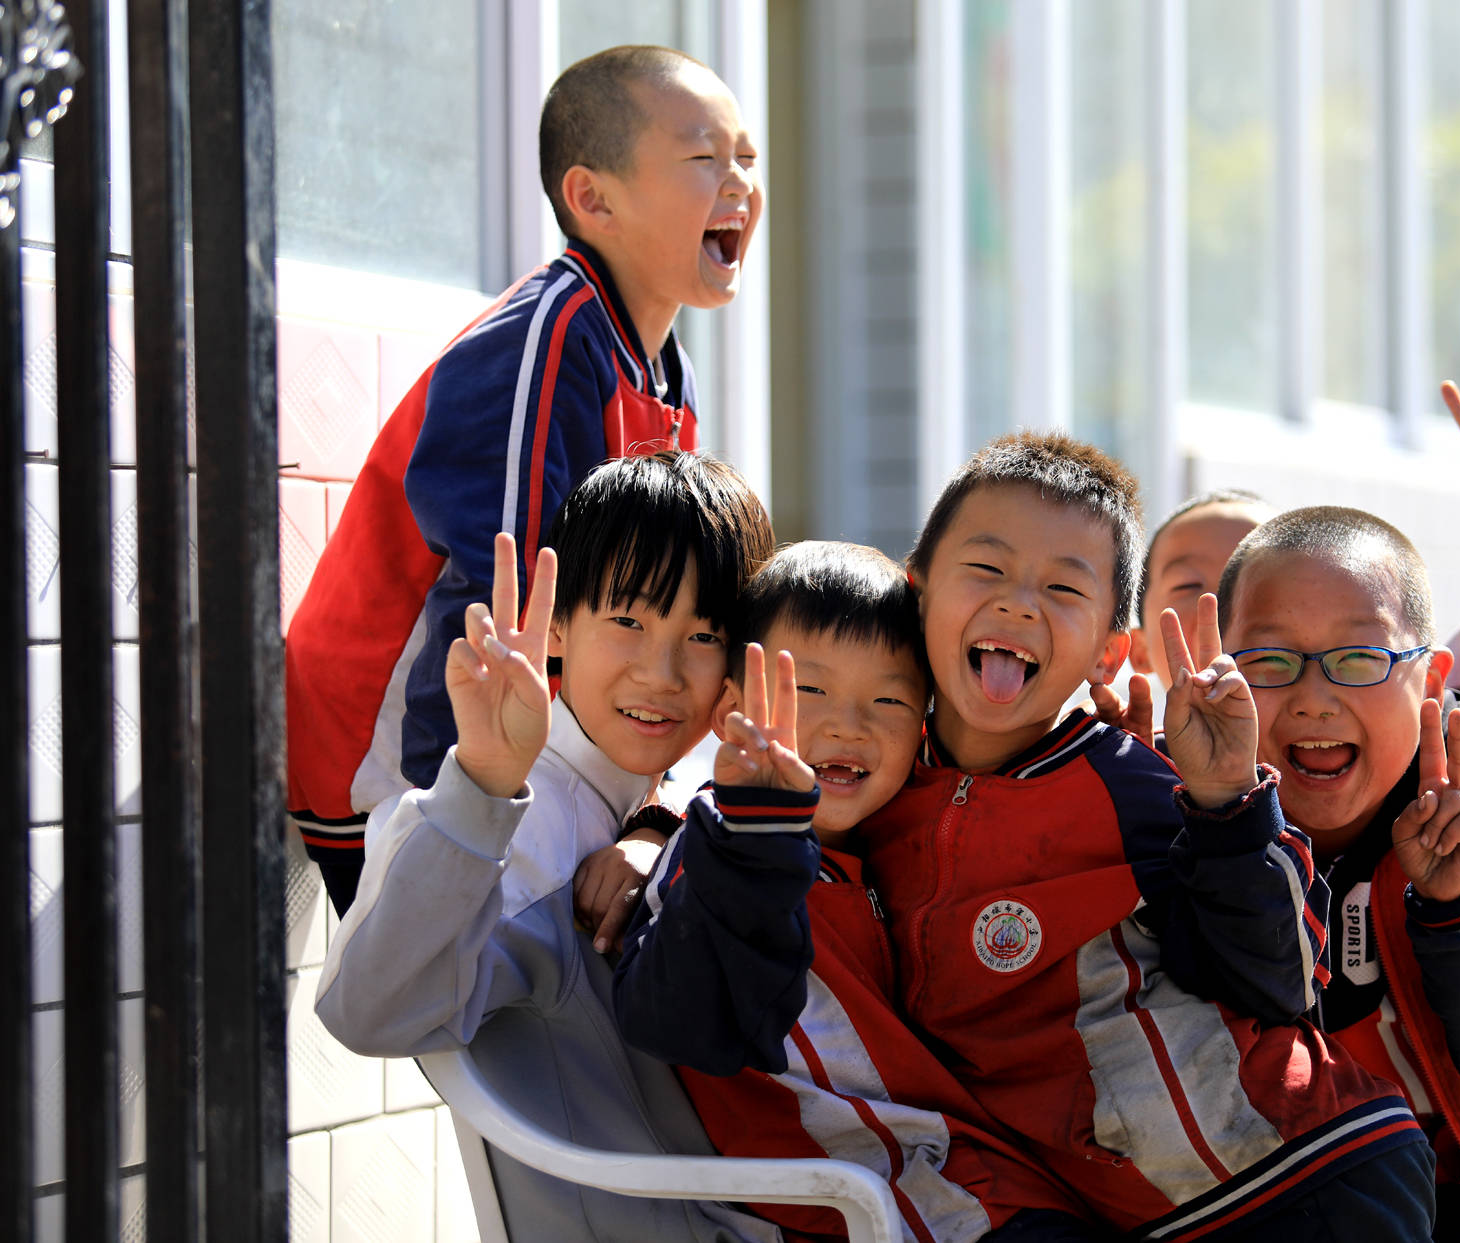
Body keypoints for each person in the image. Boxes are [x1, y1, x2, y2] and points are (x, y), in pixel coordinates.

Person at [864, 431, 1436, 1241]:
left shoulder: (1134, 782)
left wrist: (1226, 801)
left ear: (1110, 650)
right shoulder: (878, 783)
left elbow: (1281, 982)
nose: (1019, 603)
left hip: (1301, 1179)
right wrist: (650, 827)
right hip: (1129, 1212)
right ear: (916, 591)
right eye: (987, 569)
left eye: (1064, 587)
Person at [286, 44, 763, 913]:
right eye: (704, 158)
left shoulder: (663, 369)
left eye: (746, 158)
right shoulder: (543, 342)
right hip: (398, 769)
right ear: (592, 199)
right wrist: (464, 817)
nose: (739, 183)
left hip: (519, 768)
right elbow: (493, 609)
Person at [315, 452, 778, 1243]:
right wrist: (484, 781)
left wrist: (658, 824)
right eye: (629, 620)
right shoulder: (515, 817)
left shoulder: (644, 789)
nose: (661, 672)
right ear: (557, 623)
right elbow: (365, 1010)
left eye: (703, 635)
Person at [614, 542, 1107, 1242]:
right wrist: (744, 834)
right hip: (864, 1199)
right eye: (807, 691)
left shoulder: (896, 838)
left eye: (890, 699)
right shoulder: (721, 843)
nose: (850, 724)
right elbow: (675, 1018)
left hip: (976, 1175)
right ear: (732, 711)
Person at [1216, 505, 1460, 1242]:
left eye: (1360, 659)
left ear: (1431, 681)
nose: (1313, 696)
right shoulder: (1185, 814)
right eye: (1270, 662)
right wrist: (1227, 829)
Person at [1129, 355, 1460, 730]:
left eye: (1251, 584)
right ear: (1140, 648)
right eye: (1190, 587)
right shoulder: (1122, 784)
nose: (1220, 607)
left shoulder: (1399, 721)